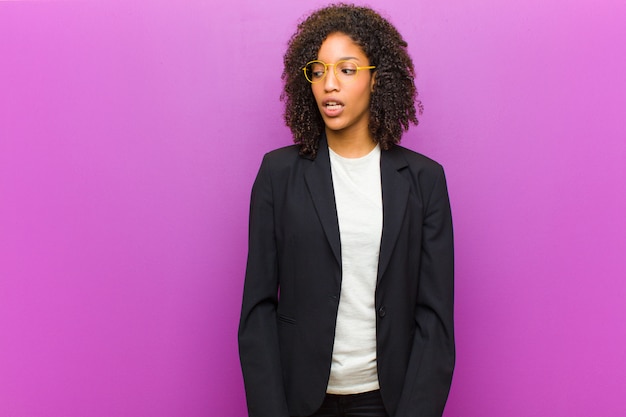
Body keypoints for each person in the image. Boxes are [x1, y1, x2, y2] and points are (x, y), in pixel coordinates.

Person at [238, 4, 454, 417]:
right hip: (298, 402)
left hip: (385, 401)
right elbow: (257, 310)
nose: (329, 84)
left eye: (347, 70)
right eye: (318, 71)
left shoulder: (424, 181)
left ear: (377, 79)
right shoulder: (278, 174)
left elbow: (435, 320)